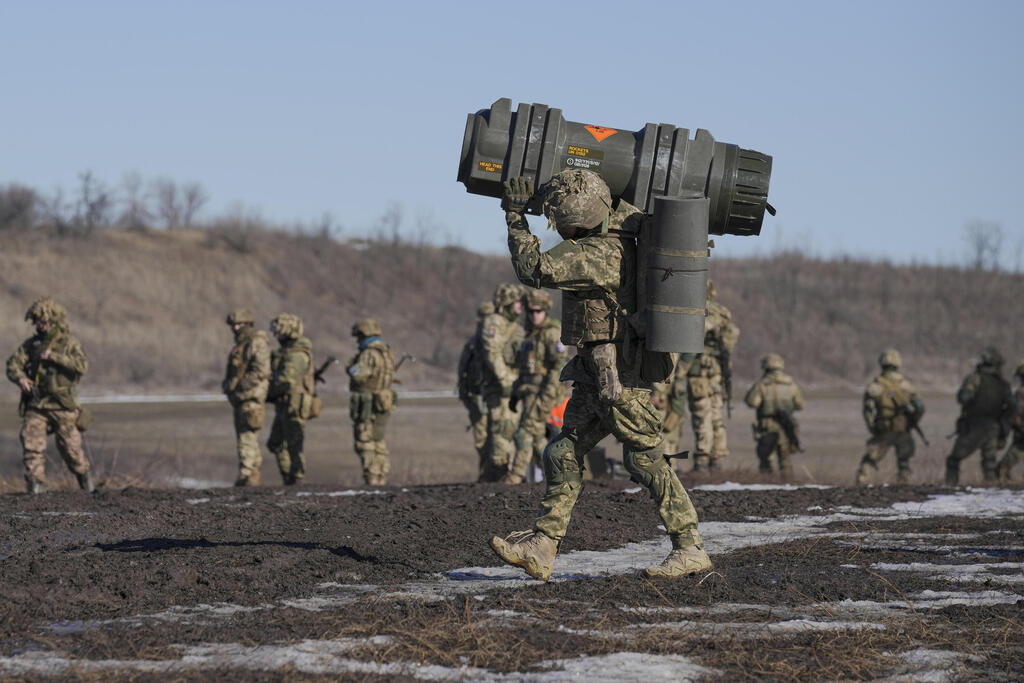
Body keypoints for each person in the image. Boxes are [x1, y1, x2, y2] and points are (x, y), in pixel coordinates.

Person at [489, 169, 710, 580]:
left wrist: (515, 216)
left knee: (645, 462)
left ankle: (690, 546)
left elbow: (533, 269)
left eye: (562, 220)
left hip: (621, 378)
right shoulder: (617, 232)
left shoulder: (597, 254)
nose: (561, 228)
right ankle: (543, 545)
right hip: (598, 371)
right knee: (562, 452)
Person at [6, 297, 93, 494]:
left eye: (42, 320)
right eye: (36, 320)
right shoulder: (33, 344)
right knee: (31, 444)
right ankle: (35, 489)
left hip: (62, 405)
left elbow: (82, 366)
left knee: (72, 451)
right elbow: (13, 364)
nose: (39, 324)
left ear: (53, 320)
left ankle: (87, 487)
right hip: (38, 404)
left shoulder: (68, 343)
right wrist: (20, 379)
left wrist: (54, 357)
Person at [505, 289, 568, 485]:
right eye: (531, 311)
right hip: (528, 393)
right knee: (538, 438)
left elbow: (557, 369)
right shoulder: (530, 335)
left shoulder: (551, 332)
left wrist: (545, 399)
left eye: (538, 311)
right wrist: (515, 393)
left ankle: (515, 477)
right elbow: (525, 369)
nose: (534, 315)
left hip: (543, 394)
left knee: (524, 433)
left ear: (545, 311)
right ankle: (558, 476)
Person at [685, 280, 739, 471]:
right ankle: (717, 459)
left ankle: (701, 460)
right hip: (719, 373)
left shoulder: (696, 311)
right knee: (716, 416)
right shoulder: (723, 312)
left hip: (700, 372)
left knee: (702, 415)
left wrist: (681, 369)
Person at [855, 349, 925, 485]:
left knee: (869, 460)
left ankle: (860, 484)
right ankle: (905, 489)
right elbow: (920, 407)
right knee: (904, 462)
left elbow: (868, 411)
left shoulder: (875, 386)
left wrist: (872, 427)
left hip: (883, 428)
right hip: (903, 429)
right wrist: (912, 422)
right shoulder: (906, 385)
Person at [945, 347, 1012, 485]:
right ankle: (991, 491)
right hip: (994, 427)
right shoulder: (1003, 384)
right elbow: (1012, 406)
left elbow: (964, 398)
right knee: (989, 463)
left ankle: (950, 488)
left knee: (953, 459)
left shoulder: (975, 379)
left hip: (976, 426)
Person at [479, 283, 525, 482]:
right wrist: (505, 380)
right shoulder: (495, 322)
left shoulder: (513, 325)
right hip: (499, 388)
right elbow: (493, 353)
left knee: (510, 429)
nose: (520, 307)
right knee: (501, 430)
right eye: (517, 303)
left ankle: (504, 474)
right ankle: (499, 474)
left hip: (512, 386)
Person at [222, 309, 271, 486]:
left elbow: (261, 371)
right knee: (246, 435)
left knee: (246, 435)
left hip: (251, 396)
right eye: (233, 325)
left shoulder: (256, 342)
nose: (235, 328)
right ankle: (251, 474)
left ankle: (247, 474)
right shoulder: (241, 345)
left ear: (248, 324)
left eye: (239, 324)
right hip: (241, 397)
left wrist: (239, 385)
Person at [266, 313, 316, 485]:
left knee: (294, 444)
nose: (276, 334)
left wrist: (268, 392)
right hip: (284, 404)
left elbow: (286, 381)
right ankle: (289, 477)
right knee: (276, 443)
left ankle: (296, 479)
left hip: (294, 404)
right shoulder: (286, 352)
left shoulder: (297, 354)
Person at [347, 318, 396, 486]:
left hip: (367, 403)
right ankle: (381, 477)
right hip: (383, 402)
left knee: (365, 441)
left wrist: (350, 366)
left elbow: (358, 374)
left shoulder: (368, 354)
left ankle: (372, 479)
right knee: (379, 441)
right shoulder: (386, 352)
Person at [744, 353, 804, 480]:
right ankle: (789, 486)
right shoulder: (790, 384)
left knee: (766, 458)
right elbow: (800, 405)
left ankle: (767, 485)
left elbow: (752, 402)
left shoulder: (762, 385)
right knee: (785, 460)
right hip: (785, 425)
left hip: (768, 425)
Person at [456, 301, 493, 479]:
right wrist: (465, 394)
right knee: (481, 440)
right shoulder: (472, 344)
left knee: (498, 440)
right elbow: (463, 370)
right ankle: (485, 474)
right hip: (477, 397)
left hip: (495, 397)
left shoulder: (498, 342)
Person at [997, 362, 1024, 482]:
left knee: (1017, 449)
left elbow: (1016, 411)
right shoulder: (1020, 393)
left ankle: (1002, 473)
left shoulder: (1020, 393)